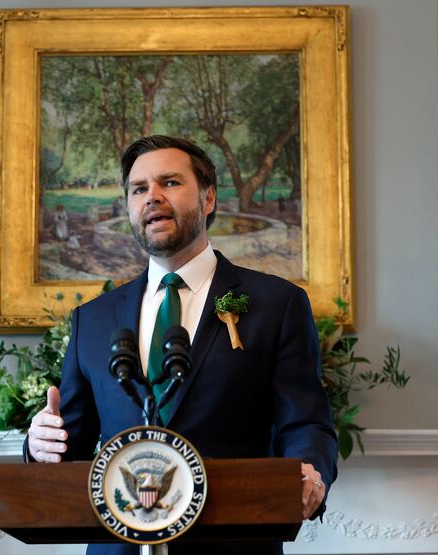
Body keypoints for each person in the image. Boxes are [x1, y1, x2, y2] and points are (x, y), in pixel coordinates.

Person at [25, 135, 338, 554]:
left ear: (208, 199)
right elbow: (72, 446)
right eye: (139, 189)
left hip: (233, 544)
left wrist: (311, 473)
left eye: (169, 183)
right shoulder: (93, 321)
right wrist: (40, 444)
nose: (151, 197)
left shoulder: (276, 304)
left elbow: (306, 423)